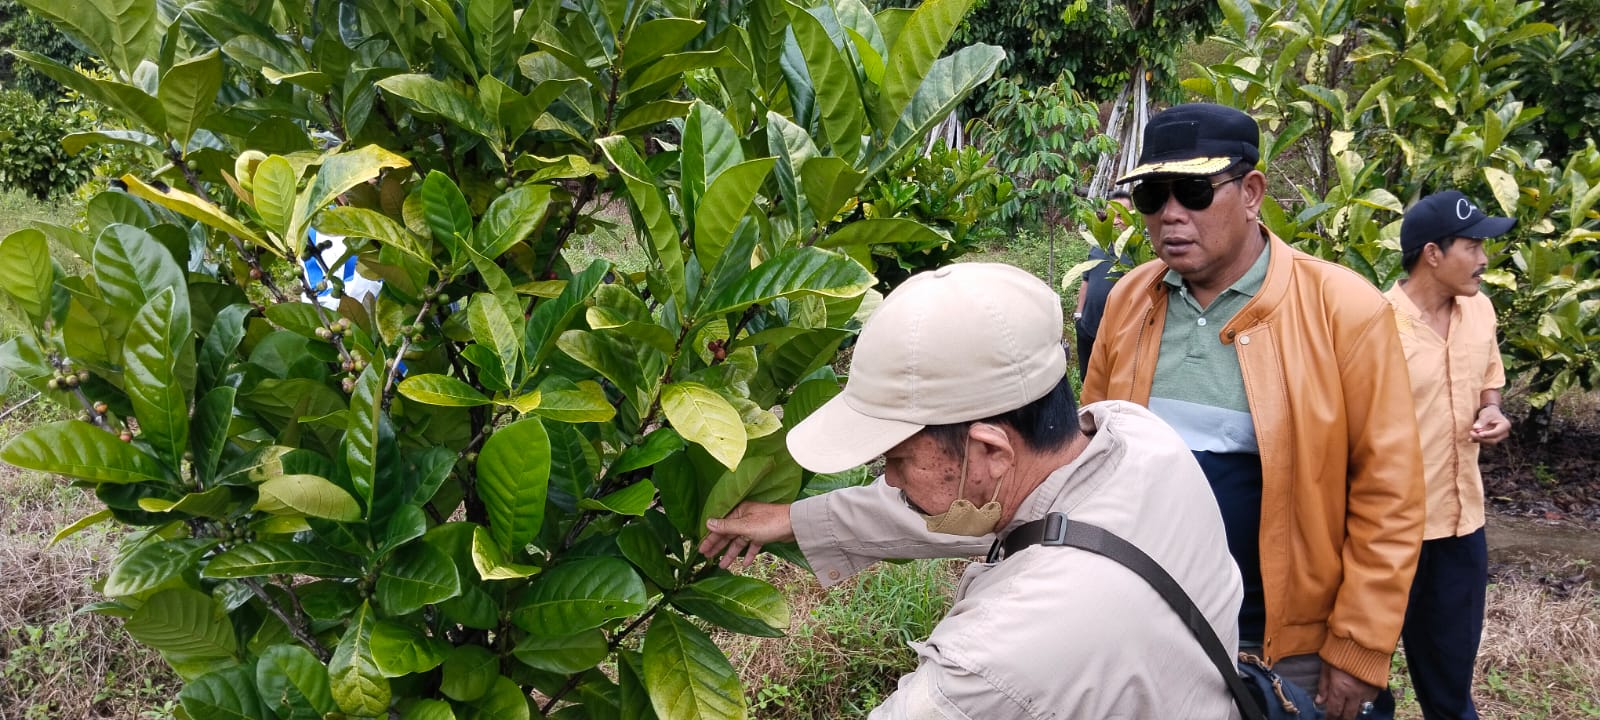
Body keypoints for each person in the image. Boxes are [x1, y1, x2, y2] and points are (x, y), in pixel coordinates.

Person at [701, 263, 1244, 718]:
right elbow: (970, 509)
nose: (889, 478)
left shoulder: (996, 661)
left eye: (897, 459)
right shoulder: (1136, 438)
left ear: (991, 451)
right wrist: (796, 520)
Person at [1081, 103, 1425, 720]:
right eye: (1153, 196)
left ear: (1252, 193)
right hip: (1147, 619)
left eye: (1193, 191)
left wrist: (1358, 646)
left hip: (1283, 643)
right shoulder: (1129, 301)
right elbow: (1093, 458)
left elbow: (1389, 493)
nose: (1170, 214)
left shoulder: (1343, 311)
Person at [1385, 190, 1514, 719]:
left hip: (1462, 530)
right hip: (1388, 534)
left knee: (1450, 688)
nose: (1484, 258)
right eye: (1473, 246)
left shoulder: (1480, 309)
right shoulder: (1375, 324)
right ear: (1432, 254)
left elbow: (1489, 378)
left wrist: (1493, 409)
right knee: (1361, 683)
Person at [1073, 189, 1136, 381]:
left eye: (1121, 215)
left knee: (1111, 382)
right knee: (1087, 380)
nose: (1115, 221)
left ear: (1132, 216)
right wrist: (1078, 315)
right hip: (1087, 327)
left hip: (1117, 335)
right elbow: (1086, 280)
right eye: (1111, 215)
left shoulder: (1136, 252)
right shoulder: (1098, 247)